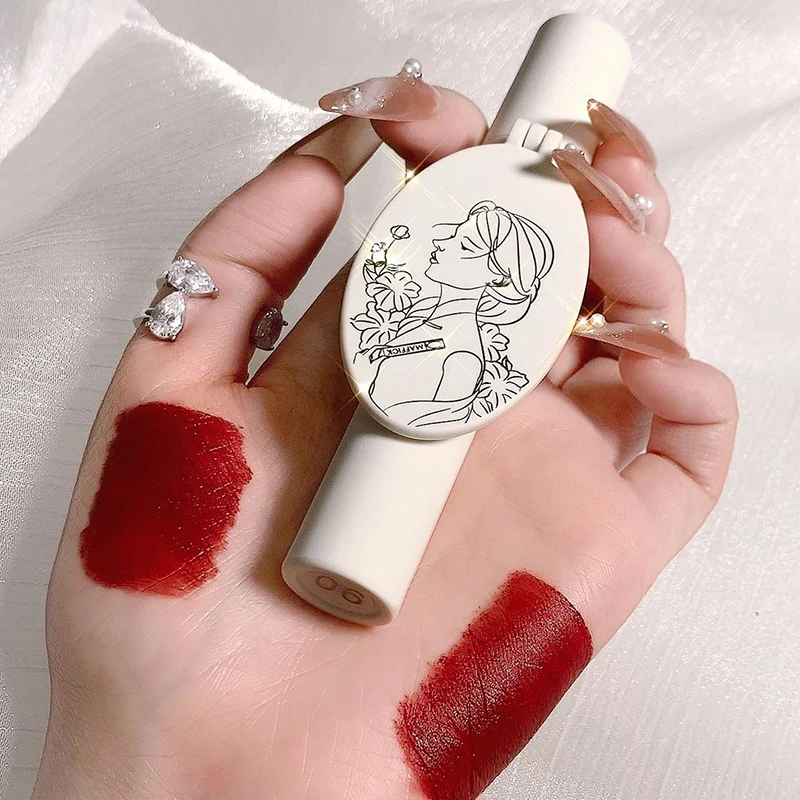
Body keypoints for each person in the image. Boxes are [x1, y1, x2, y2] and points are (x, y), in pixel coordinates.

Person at [31, 87, 737, 800]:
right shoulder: (409, 332)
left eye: (466, 246)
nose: (445, 244)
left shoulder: (459, 367)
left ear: (499, 283)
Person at [367, 200, 554, 427]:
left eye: (465, 246)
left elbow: (429, 427)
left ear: (499, 277)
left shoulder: (463, 358)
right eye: (453, 235)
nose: (440, 243)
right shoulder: (421, 321)